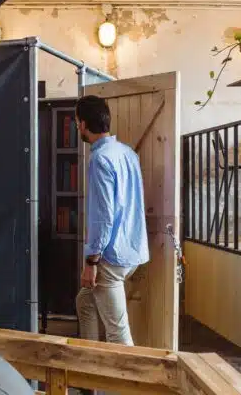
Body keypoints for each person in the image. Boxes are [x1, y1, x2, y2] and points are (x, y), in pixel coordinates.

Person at [75, 95, 150, 348]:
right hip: (133, 253)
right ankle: (89, 364)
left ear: (83, 124)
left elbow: (103, 216)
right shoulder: (128, 153)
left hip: (110, 260)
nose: (77, 127)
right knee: (84, 301)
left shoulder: (99, 159)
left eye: (77, 122)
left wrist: (91, 261)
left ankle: (128, 375)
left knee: (118, 336)